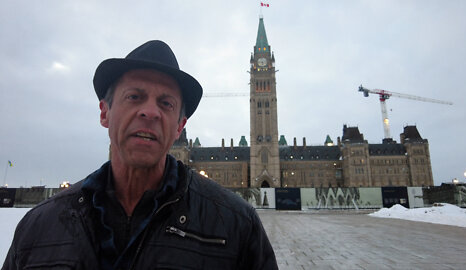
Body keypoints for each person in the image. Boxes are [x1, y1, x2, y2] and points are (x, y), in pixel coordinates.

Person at [2, 40, 278, 270]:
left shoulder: (238, 226)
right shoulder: (37, 229)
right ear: (104, 113)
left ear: (180, 126)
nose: (150, 112)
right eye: (134, 96)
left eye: (166, 103)